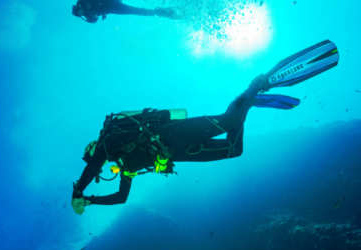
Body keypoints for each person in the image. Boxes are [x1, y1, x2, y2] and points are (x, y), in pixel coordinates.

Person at [71, 40, 340, 213]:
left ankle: (254, 87)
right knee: (235, 149)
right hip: (180, 154)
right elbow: (121, 198)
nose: (95, 159)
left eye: (91, 152)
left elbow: (93, 164)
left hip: (174, 133)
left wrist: (77, 191)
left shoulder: (109, 139)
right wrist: (90, 200)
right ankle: (248, 103)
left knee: (229, 121)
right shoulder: (125, 164)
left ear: (94, 145)